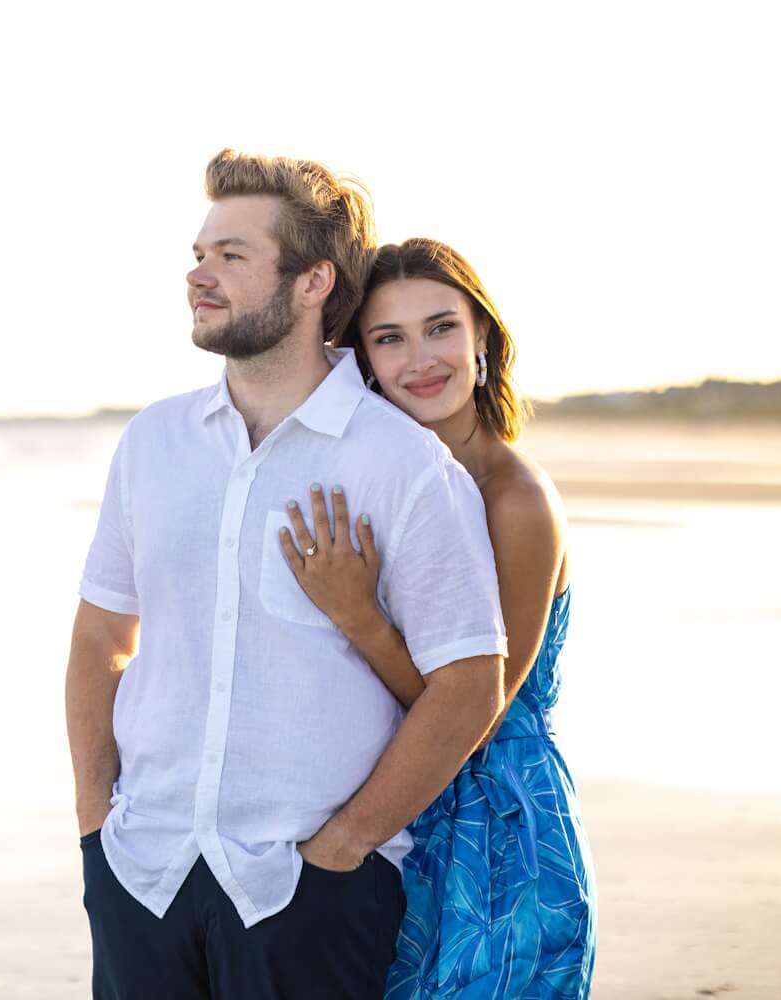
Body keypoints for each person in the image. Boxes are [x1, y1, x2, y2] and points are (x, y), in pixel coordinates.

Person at [65, 150, 510, 1000]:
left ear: (313, 283)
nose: (201, 275)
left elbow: (470, 682)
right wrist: (96, 821)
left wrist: (346, 846)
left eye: (232, 257)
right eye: (200, 255)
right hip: (142, 870)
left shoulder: (404, 465)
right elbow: (100, 633)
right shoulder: (152, 443)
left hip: (308, 890)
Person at [279, 238, 597, 997]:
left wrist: (359, 615)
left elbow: (475, 715)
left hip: (498, 825)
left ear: (481, 336)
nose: (421, 358)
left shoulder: (515, 501)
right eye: (390, 338)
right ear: (363, 360)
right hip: (403, 804)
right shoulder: (394, 484)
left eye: (441, 327)